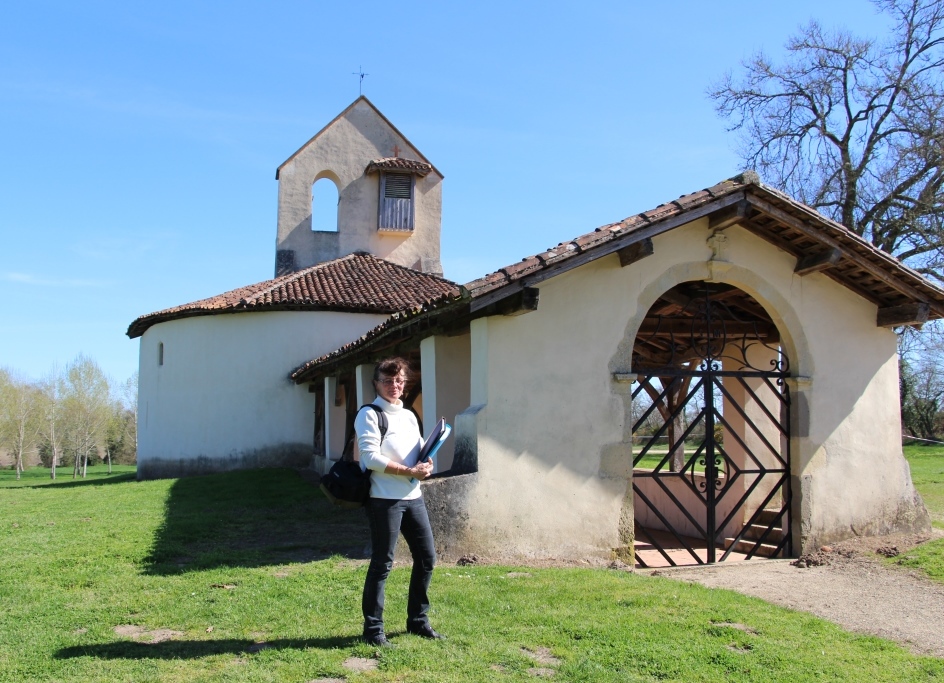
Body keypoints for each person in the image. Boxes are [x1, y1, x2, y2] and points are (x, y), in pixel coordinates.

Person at [356, 357, 444, 647]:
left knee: (427, 558)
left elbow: (419, 449)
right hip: (384, 500)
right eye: (387, 380)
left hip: (413, 497)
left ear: (404, 384)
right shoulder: (369, 415)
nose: (394, 385)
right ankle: (373, 630)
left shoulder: (407, 415)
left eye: (399, 380)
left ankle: (418, 621)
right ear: (376, 384)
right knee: (383, 563)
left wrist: (427, 463)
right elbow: (370, 457)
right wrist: (408, 471)